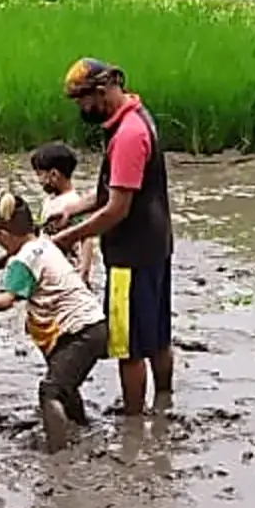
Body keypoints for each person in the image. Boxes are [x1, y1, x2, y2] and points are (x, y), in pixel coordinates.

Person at [52, 59, 175, 418]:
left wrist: (68, 237)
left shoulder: (127, 136)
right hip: (156, 245)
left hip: (130, 256)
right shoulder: (136, 119)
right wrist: (73, 209)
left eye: (83, 102)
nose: (82, 109)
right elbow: (113, 190)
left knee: (128, 346)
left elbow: (116, 209)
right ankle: (164, 400)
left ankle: (134, 421)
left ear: (102, 91)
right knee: (158, 333)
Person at [0, 191, 109, 451]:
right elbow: (28, 255)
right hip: (92, 326)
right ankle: (81, 427)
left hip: (79, 332)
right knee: (65, 383)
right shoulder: (43, 243)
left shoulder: (22, 261)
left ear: (2, 236)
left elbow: (6, 301)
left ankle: (59, 456)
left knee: (50, 391)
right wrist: (8, 257)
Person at [30, 140, 96, 281]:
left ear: (54, 174)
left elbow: (87, 236)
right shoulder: (48, 201)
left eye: (39, 174)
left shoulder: (74, 203)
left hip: (68, 271)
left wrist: (84, 269)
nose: (38, 181)